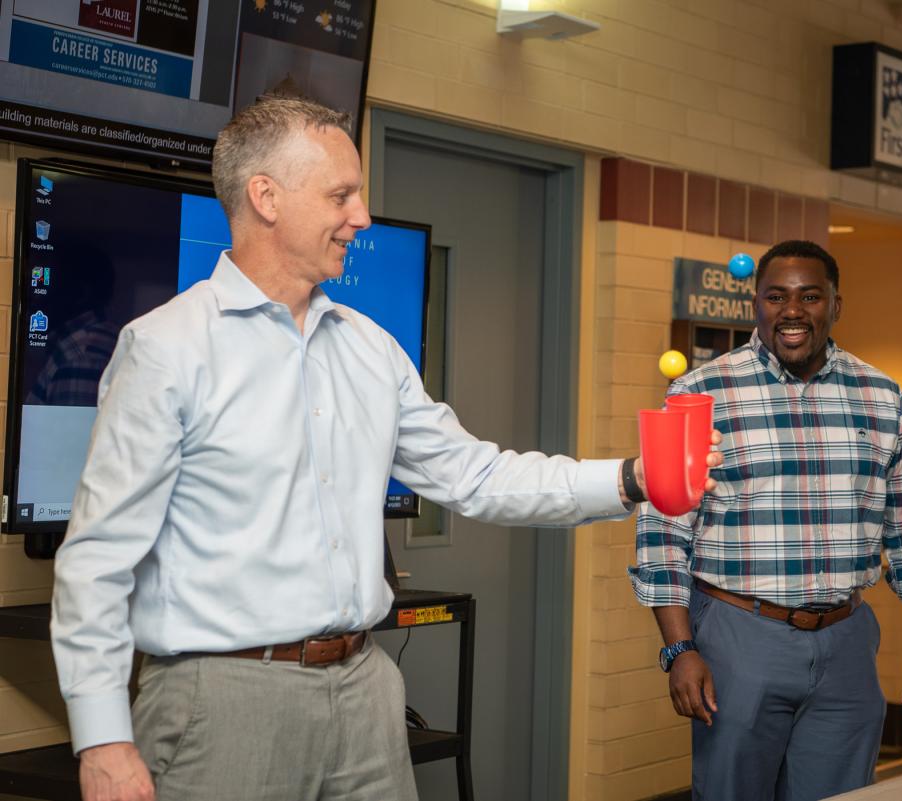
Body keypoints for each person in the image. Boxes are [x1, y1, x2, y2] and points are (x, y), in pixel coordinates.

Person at [50, 94, 721, 801]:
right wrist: (101, 737)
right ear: (266, 197)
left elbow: (475, 474)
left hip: (365, 694)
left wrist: (632, 478)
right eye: (341, 194)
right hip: (219, 699)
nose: (361, 217)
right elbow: (97, 557)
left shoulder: (371, 350)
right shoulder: (166, 348)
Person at [631, 240, 902, 801]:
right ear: (756, 304)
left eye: (810, 296)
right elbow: (662, 535)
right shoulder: (698, 393)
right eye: (777, 296)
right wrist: (679, 650)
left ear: (836, 305)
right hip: (738, 637)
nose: (793, 310)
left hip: (847, 641)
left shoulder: (881, 396)